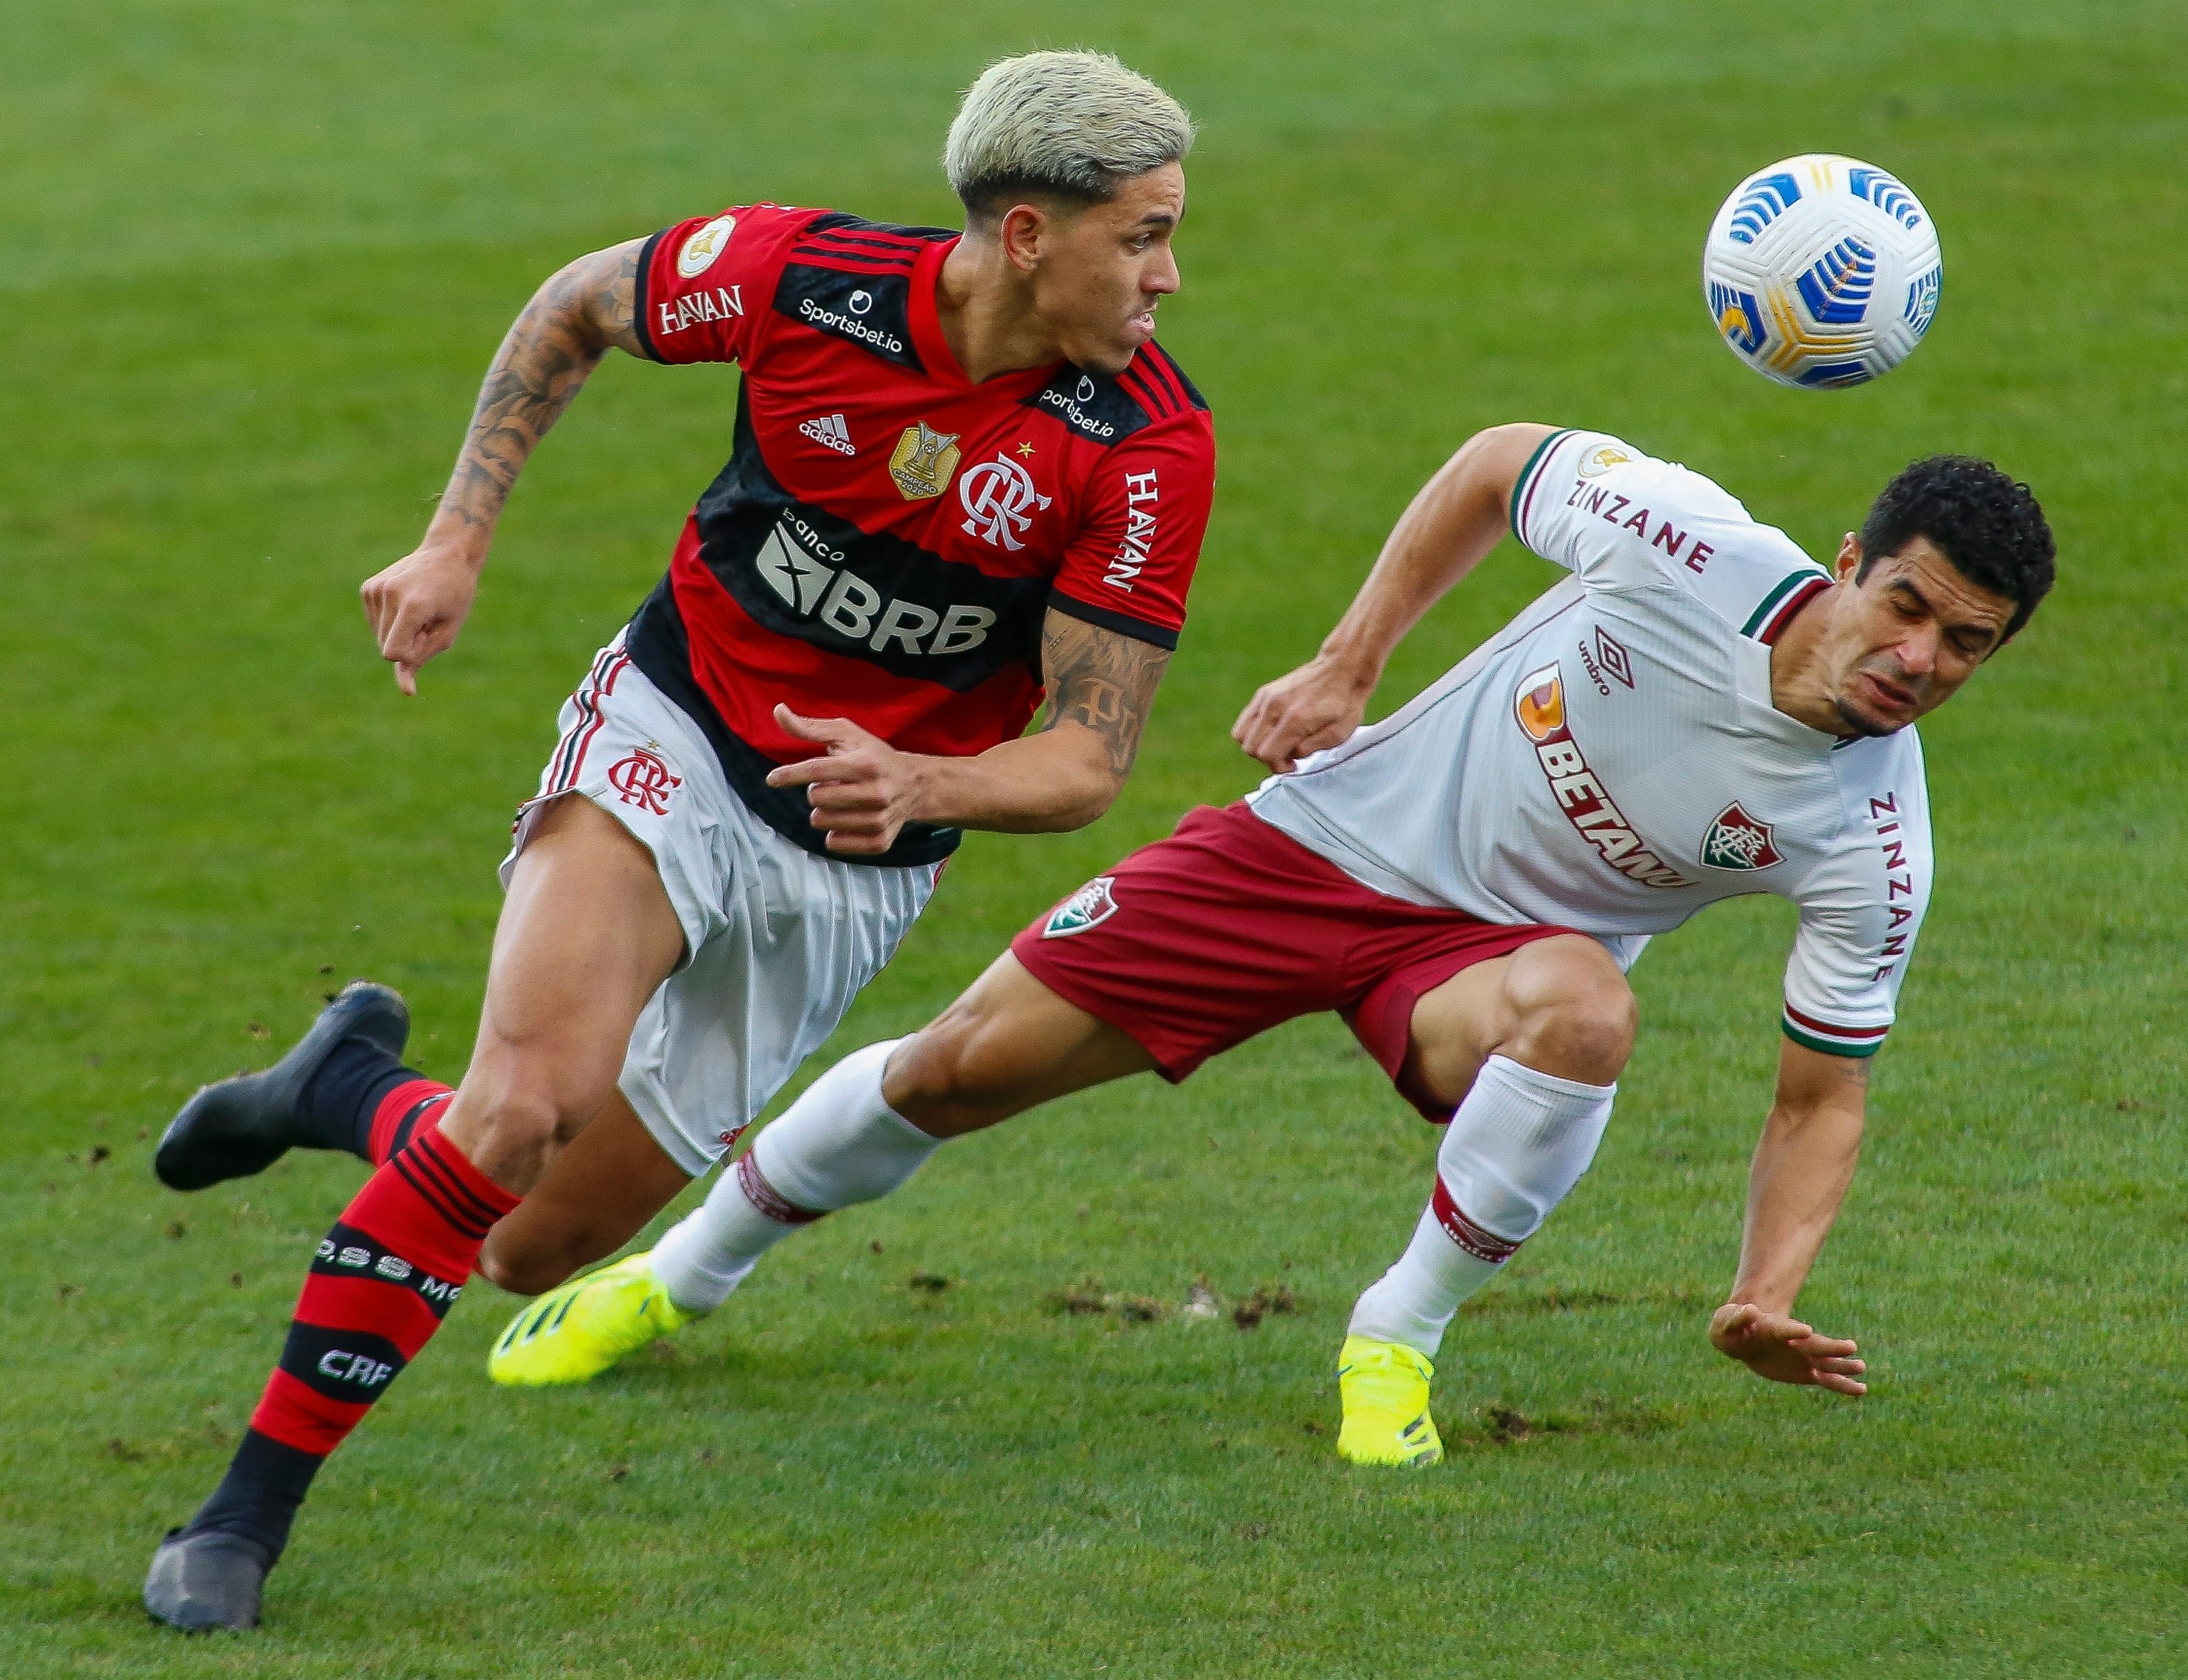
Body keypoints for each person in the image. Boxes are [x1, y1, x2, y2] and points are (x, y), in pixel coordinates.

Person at [144, 50, 1215, 1630]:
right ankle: (239, 1519)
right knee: (518, 1107)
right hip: (675, 736)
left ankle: (348, 1089)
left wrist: (930, 786)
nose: (1168, 278)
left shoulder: (1141, 444)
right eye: (1142, 235)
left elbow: (1085, 759)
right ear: (1027, 232)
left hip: (852, 859)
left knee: (521, 1245)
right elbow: (573, 307)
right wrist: (456, 536)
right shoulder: (800, 282)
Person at [496, 422, 2054, 1468]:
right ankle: (675, 1278)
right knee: (958, 1070)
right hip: (1318, 843)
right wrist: (1345, 662)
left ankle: (1398, 1337)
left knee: (1585, 1007)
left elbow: (1820, 1093)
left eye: (1964, 646)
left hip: (1483, 969)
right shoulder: (1692, 548)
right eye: (1905, 606)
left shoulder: (1875, 838)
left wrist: (1762, 1288)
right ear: (1852, 561)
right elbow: (1494, 464)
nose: (1917, 658)